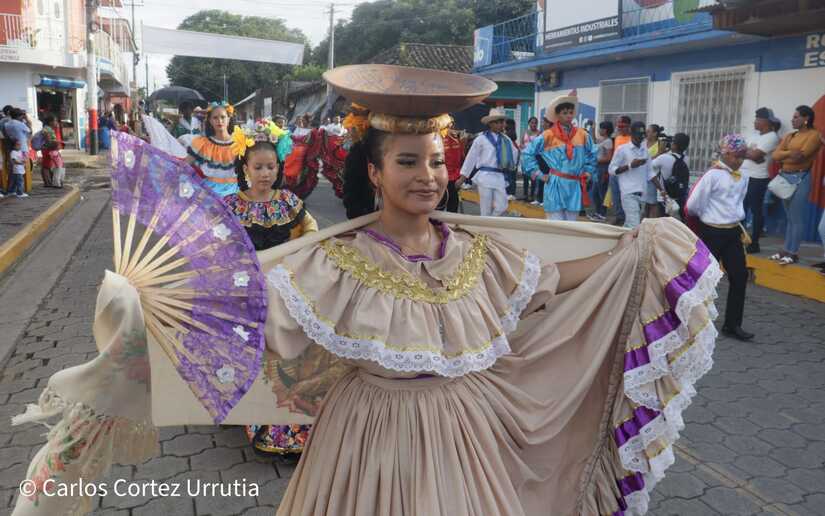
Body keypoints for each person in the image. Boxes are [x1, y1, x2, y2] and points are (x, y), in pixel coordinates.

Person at [270, 65, 721, 515]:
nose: (427, 176)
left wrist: (628, 256)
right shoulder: (339, 260)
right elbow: (259, 314)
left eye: (434, 161)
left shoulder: (472, 252)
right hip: (365, 430)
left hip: (459, 429)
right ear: (375, 172)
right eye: (407, 162)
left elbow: (547, 280)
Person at [223, 120, 318, 458]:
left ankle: (285, 422)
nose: (265, 173)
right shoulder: (232, 206)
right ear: (244, 168)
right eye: (258, 167)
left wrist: (297, 257)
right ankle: (248, 413)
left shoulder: (290, 202)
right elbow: (220, 243)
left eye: (271, 166)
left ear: (279, 167)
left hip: (284, 289)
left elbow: (311, 232)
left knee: (286, 353)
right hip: (245, 293)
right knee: (250, 352)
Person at [686, 134, 752, 341]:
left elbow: (739, 201)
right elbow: (694, 205)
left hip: (733, 232)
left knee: (739, 277)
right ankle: (693, 322)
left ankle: (732, 325)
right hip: (712, 232)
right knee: (704, 279)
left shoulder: (744, 176)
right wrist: (709, 219)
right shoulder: (712, 175)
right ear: (725, 153)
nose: (739, 160)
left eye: (742, 156)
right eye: (736, 156)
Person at [522, 93, 596, 221]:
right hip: (555, 183)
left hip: (574, 185)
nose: (568, 116)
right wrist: (538, 174)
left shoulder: (582, 134)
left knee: (571, 225)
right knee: (555, 224)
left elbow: (592, 153)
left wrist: (588, 171)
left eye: (571, 112)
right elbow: (527, 153)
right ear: (557, 115)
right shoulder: (548, 135)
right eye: (564, 112)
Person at [769, 105, 823, 265]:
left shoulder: (814, 136)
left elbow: (801, 157)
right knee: (790, 217)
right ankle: (786, 249)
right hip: (785, 177)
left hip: (801, 177)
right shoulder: (790, 136)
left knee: (797, 218)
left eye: (796, 117)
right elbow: (775, 155)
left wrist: (784, 156)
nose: (792, 119)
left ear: (806, 119)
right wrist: (789, 154)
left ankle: (793, 252)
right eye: (793, 117)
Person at [456, 108, 517, 217]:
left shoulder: (506, 140)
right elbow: (471, 158)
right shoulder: (481, 139)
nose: (501, 125)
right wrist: (462, 178)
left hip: (499, 176)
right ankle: (485, 230)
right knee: (485, 208)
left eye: (502, 122)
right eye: (498, 122)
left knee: (503, 206)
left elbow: (515, 155)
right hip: (485, 176)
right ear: (490, 124)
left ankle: (489, 223)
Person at [740, 108, 781, 254]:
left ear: (766, 122)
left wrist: (749, 153)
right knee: (741, 209)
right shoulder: (754, 135)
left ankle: (755, 242)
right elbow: (746, 152)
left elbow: (754, 154)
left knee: (755, 210)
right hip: (744, 176)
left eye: (758, 119)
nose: (755, 121)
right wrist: (750, 154)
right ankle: (740, 239)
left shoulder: (771, 137)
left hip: (758, 178)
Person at [185, 102, 240, 197]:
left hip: (236, 191)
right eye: (215, 118)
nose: (219, 120)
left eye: (223, 117)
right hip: (210, 192)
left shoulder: (240, 143)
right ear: (210, 121)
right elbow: (185, 164)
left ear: (229, 119)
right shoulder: (203, 144)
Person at [608, 121, 651, 229]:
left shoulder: (645, 150)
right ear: (631, 133)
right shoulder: (622, 150)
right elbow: (611, 170)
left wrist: (662, 191)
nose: (641, 137)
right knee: (634, 226)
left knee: (629, 225)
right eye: (638, 134)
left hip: (642, 194)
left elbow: (651, 172)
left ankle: (619, 243)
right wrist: (630, 165)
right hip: (628, 193)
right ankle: (631, 245)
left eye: (643, 134)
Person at [650, 132, 691, 218]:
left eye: (672, 142)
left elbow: (648, 165)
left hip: (664, 199)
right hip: (680, 198)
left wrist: (660, 152)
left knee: (661, 224)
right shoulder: (687, 159)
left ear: (674, 145)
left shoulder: (663, 158)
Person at [608, 115, 632, 224]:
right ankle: (619, 216)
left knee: (625, 196)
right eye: (619, 127)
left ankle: (627, 218)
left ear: (629, 126)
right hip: (614, 172)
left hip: (626, 173)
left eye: (623, 126)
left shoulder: (633, 139)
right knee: (615, 196)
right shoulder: (617, 138)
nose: (620, 129)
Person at [588, 120, 614, 221]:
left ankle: (602, 214)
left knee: (601, 192)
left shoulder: (608, 141)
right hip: (597, 168)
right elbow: (594, 141)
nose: (599, 130)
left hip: (603, 169)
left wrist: (596, 160)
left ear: (605, 130)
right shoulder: (603, 140)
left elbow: (608, 157)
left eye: (601, 128)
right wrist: (593, 128)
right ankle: (598, 213)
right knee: (595, 192)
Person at [4, 108, 32, 194]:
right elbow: (29, 131)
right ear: (19, 116)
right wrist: (27, 120)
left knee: (14, 170)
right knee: (22, 169)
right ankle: (21, 190)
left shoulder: (7, 124)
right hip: (22, 148)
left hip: (13, 147)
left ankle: (12, 189)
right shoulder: (20, 124)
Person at [439, 121, 465, 213]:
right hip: (443, 177)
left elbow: (461, 159)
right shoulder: (439, 138)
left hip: (453, 178)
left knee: (451, 206)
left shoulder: (458, 139)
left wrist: (461, 178)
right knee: (441, 206)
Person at [643, 124, 664, 217]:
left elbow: (660, 157)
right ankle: (644, 223)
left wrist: (646, 159)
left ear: (655, 133)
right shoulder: (643, 143)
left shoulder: (660, 144)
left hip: (653, 177)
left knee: (652, 203)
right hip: (641, 176)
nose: (646, 133)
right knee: (644, 203)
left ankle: (652, 223)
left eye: (648, 131)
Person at [40, 114, 66, 188]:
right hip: (48, 149)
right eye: (55, 121)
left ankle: (51, 181)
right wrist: (53, 146)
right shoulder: (46, 129)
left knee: (50, 165)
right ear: (50, 122)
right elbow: (48, 140)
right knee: (46, 166)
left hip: (50, 149)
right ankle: (48, 182)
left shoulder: (50, 129)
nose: (56, 122)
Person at [519, 116, 541, 202]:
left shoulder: (539, 133)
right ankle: (525, 194)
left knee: (533, 178)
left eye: (535, 123)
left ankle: (532, 195)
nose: (534, 124)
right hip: (525, 159)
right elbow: (521, 143)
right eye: (532, 122)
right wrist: (522, 146)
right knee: (525, 177)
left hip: (534, 160)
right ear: (529, 123)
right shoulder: (525, 132)